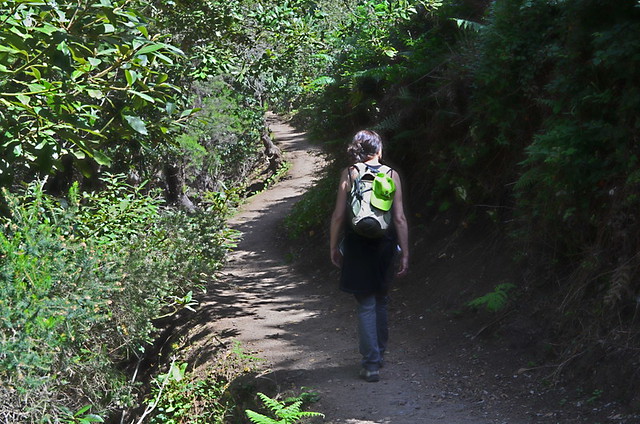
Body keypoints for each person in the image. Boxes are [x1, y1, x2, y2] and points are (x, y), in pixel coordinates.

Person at [329, 130, 409, 382]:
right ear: (379, 150)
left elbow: (340, 216)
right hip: (384, 244)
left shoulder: (350, 173)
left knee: (365, 303)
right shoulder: (391, 174)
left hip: (357, 244)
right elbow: (398, 218)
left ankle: (371, 364)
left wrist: (333, 246)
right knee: (381, 300)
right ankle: (379, 355)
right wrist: (405, 252)